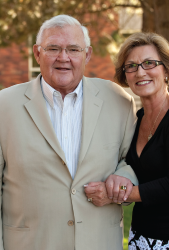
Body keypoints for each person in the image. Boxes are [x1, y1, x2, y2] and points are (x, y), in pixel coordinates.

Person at [0, 15, 138, 250]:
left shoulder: (119, 101)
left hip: (99, 242)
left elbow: (135, 159)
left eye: (73, 49)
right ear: (37, 53)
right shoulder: (4, 105)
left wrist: (125, 177)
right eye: (53, 48)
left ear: (87, 55)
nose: (63, 58)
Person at [110, 32, 169, 250]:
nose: (140, 72)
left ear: (166, 70)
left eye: (149, 63)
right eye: (131, 66)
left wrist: (118, 193)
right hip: (139, 236)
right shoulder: (137, 119)